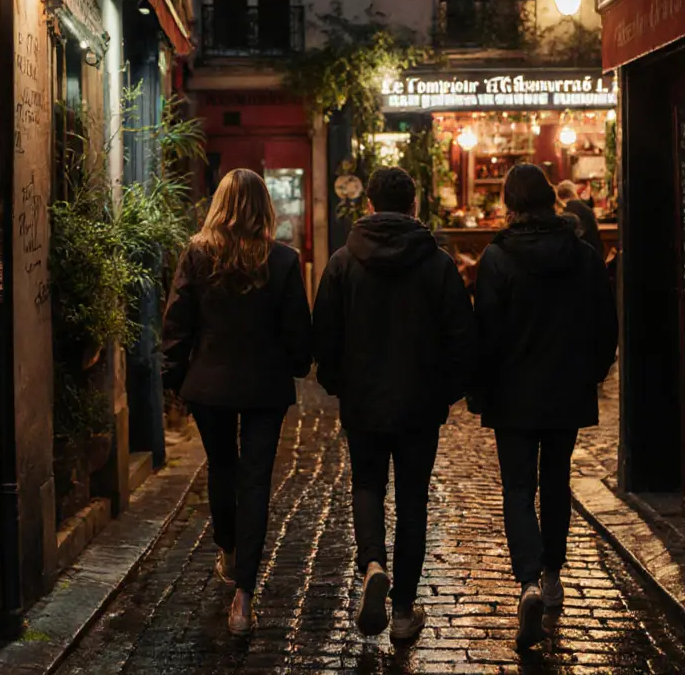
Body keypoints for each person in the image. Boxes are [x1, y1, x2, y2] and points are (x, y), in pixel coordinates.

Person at [313, 167, 476, 642]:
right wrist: (446, 391)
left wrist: (337, 382)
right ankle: (403, 609)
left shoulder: (343, 262)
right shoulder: (437, 264)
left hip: (363, 399)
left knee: (367, 485)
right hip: (420, 403)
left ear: (368, 205)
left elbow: (324, 334)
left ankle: (372, 565)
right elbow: (462, 337)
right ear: (414, 206)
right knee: (412, 500)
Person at [469, 164, 617, 647]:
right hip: (565, 389)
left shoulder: (496, 258)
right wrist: (592, 373)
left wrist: (480, 387)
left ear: (510, 203)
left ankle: (528, 580)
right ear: (551, 199)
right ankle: (552, 574)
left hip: (512, 392)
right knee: (555, 482)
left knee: (517, 487)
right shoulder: (584, 256)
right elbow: (605, 325)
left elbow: (485, 334)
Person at [161, 168, 313, 636]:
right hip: (265, 386)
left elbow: (177, 323)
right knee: (256, 482)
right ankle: (244, 596)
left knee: (223, 468)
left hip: (210, 385)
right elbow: (298, 332)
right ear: (264, 208)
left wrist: (176, 379)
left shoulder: (197, 254)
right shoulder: (283, 260)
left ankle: (228, 550)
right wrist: (296, 364)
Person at [556, 179, 605, 259]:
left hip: (568, 259)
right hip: (590, 257)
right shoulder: (586, 209)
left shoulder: (558, 212)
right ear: (573, 193)